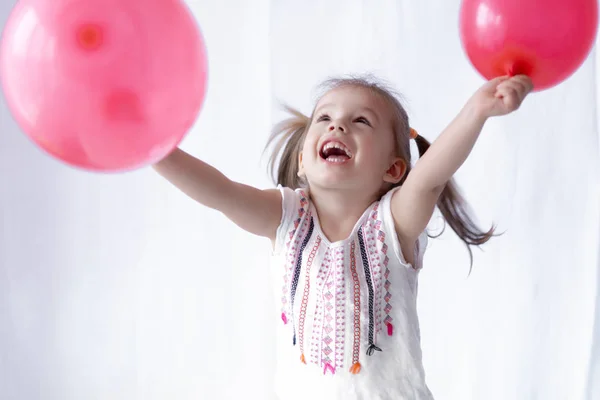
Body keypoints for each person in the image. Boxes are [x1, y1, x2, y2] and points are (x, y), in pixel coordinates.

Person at [153, 74, 533, 400]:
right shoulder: (285, 217)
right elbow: (220, 191)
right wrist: (151, 149)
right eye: (325, 117)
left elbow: (430, 178)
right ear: (303, 160)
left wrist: (476, 112)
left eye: (361, 121)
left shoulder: (393, 223)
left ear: (394, 168)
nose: (337, 126)